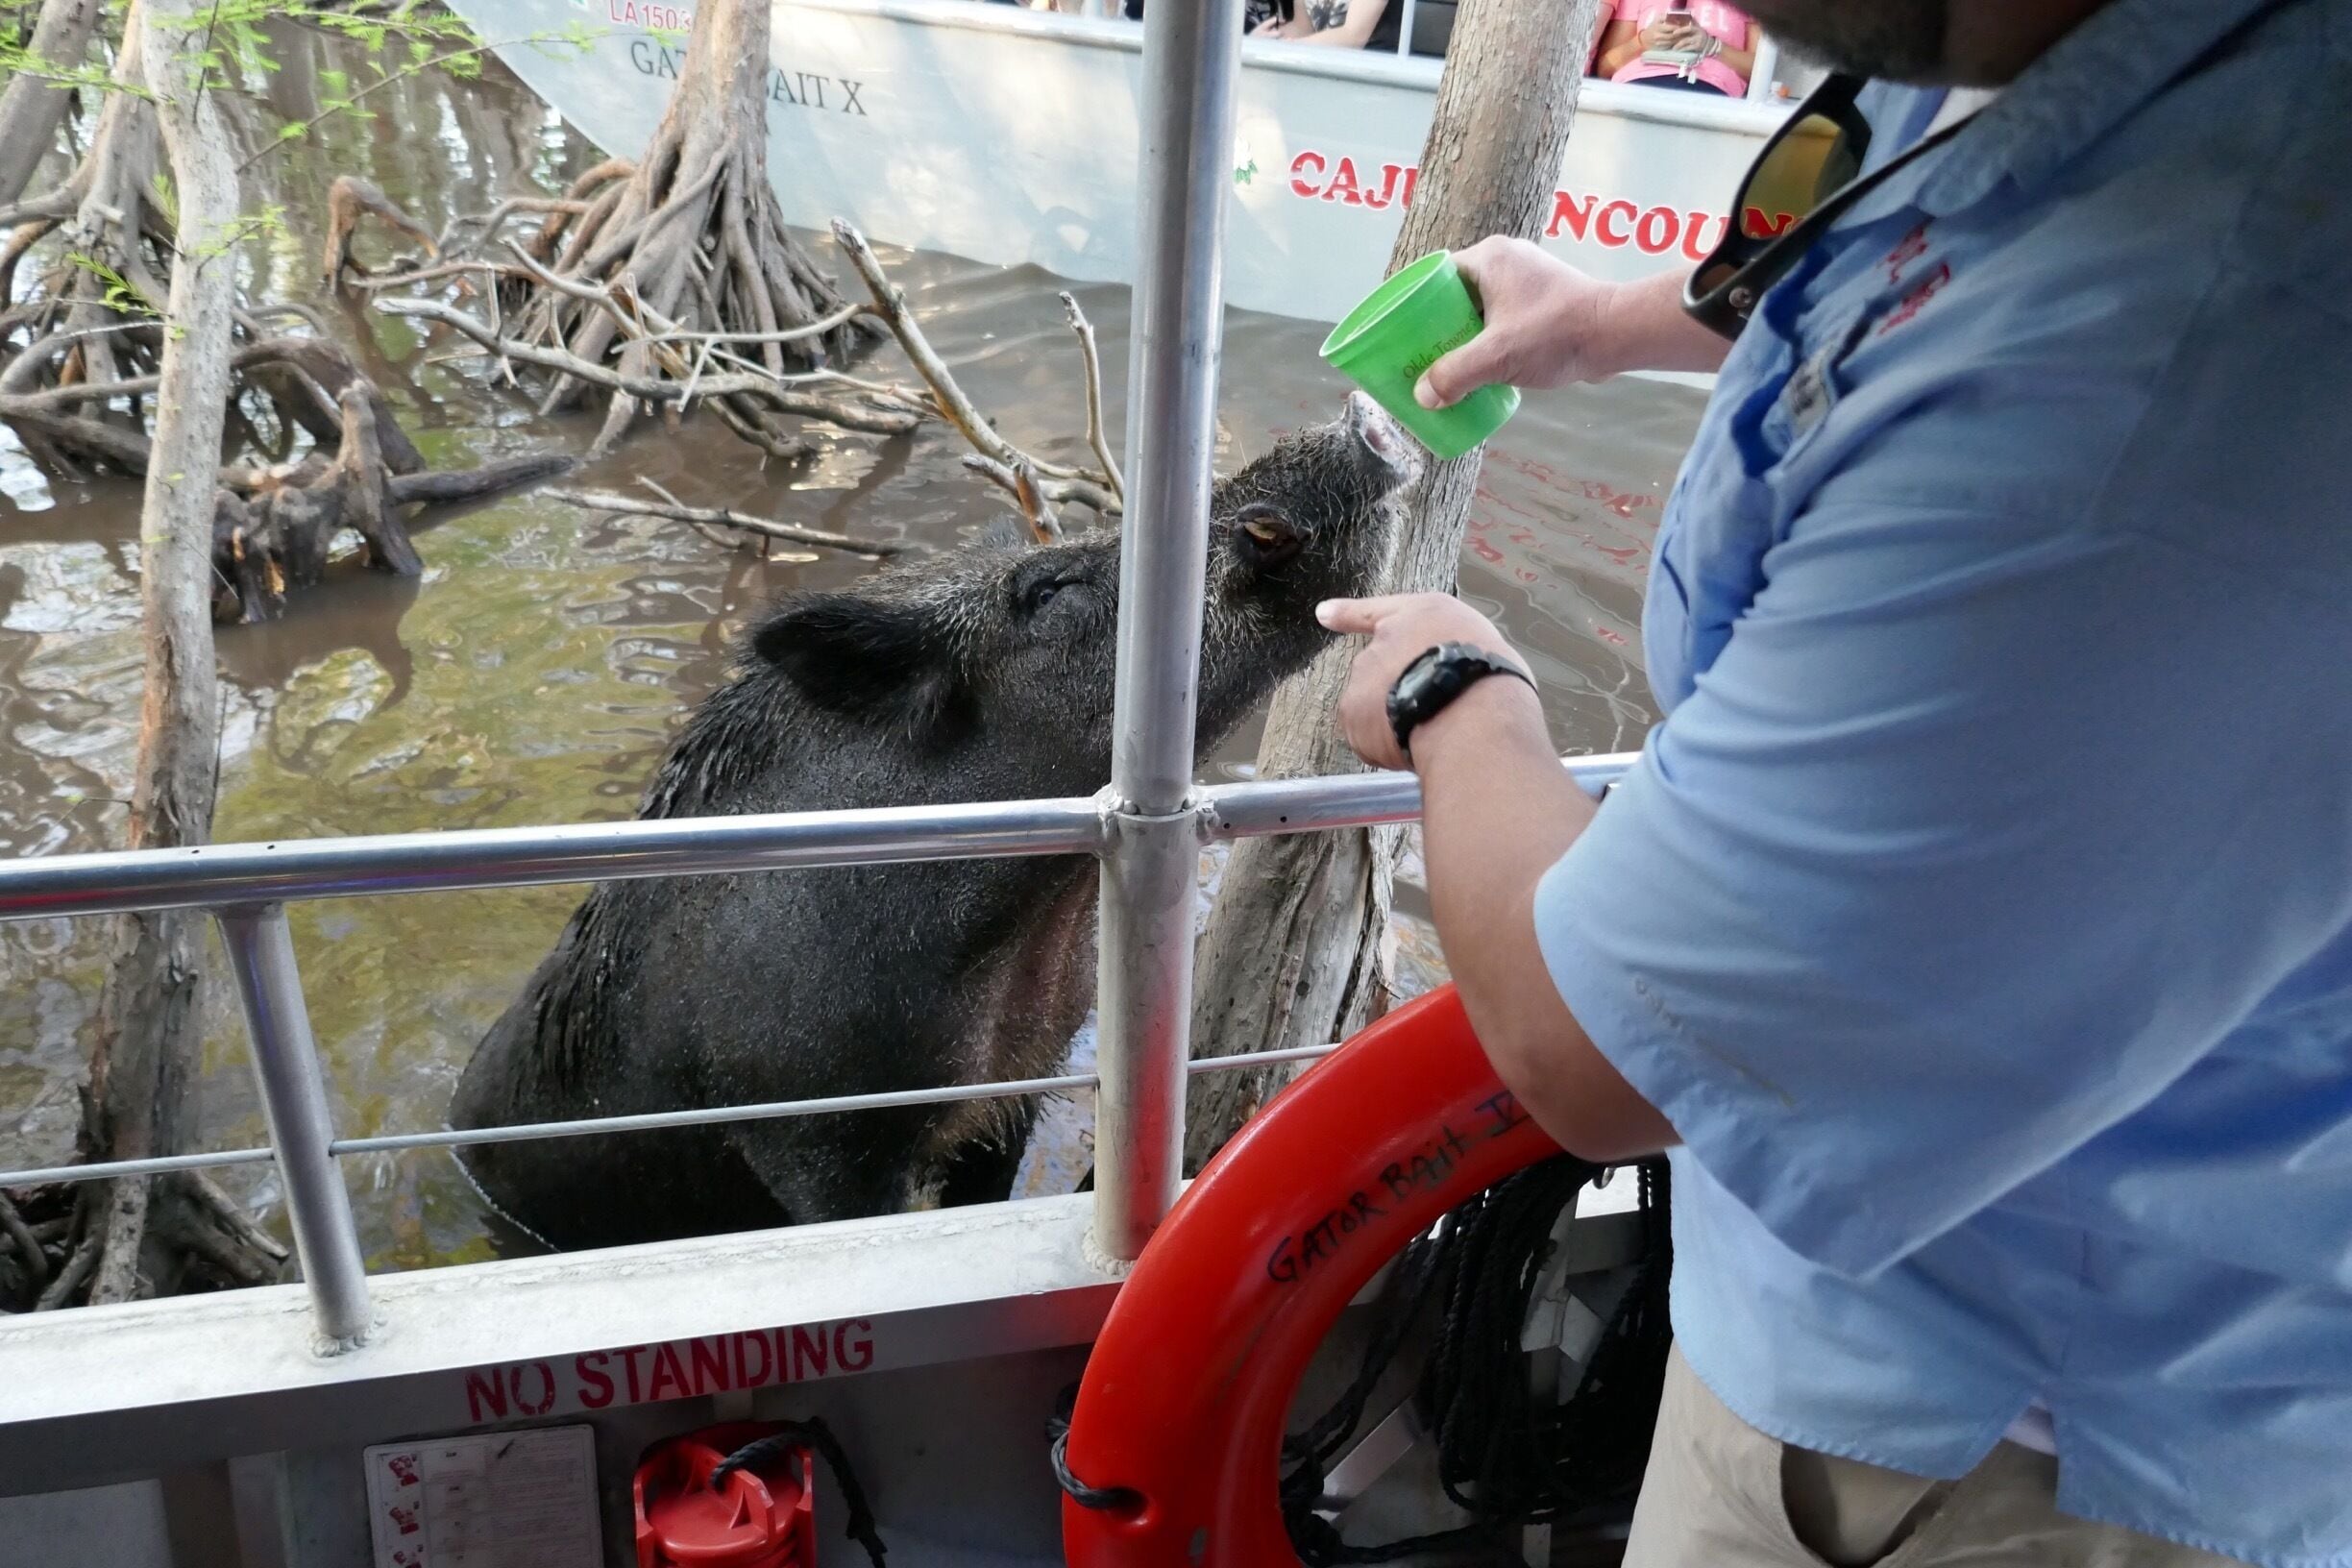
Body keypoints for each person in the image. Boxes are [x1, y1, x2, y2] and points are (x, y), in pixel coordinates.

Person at [1315, 1, 2351, 1565]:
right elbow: (1927, 253)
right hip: (1887, 1323)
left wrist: (1456, 688)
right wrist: (1598, 319)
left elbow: (1589, 1055)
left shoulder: (2168, 387)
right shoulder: (2071, 69)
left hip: (2002, 1450)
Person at [1592, 0, 1755, 95]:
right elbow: (1605, 68)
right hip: (1636, 88)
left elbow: (1759, 72)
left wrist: (1712, 46)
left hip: (1709, 91)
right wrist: (1642, 41)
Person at [1250, 0, 1402, 52]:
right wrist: (1260, 42)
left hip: (1372, 79)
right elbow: (1303, 28)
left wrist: (1288, 47)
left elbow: (1354, 36)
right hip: (1325, 70)